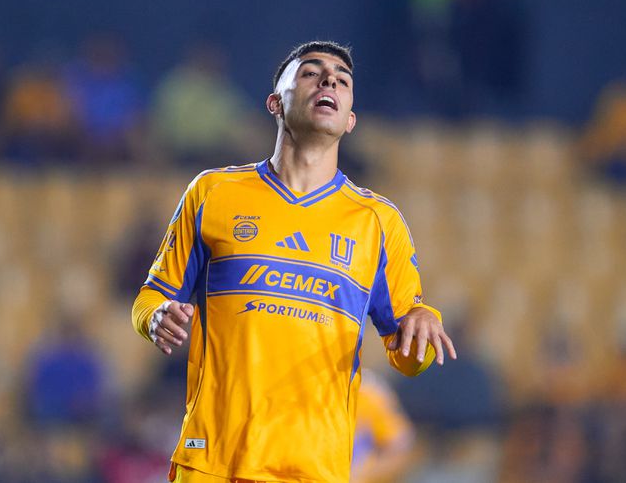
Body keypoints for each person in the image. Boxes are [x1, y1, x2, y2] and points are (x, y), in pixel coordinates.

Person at [131, 40, 457, 483]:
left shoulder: (378, 222)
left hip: (313, 470)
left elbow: (408, 359)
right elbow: (151, 297)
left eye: (342, 80)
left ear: (350, 119)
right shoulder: (212, 194)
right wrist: (154, 318)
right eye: (310, 73)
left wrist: (422, 324)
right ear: (275, 103)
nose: (329, 81)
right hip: (212, 463)